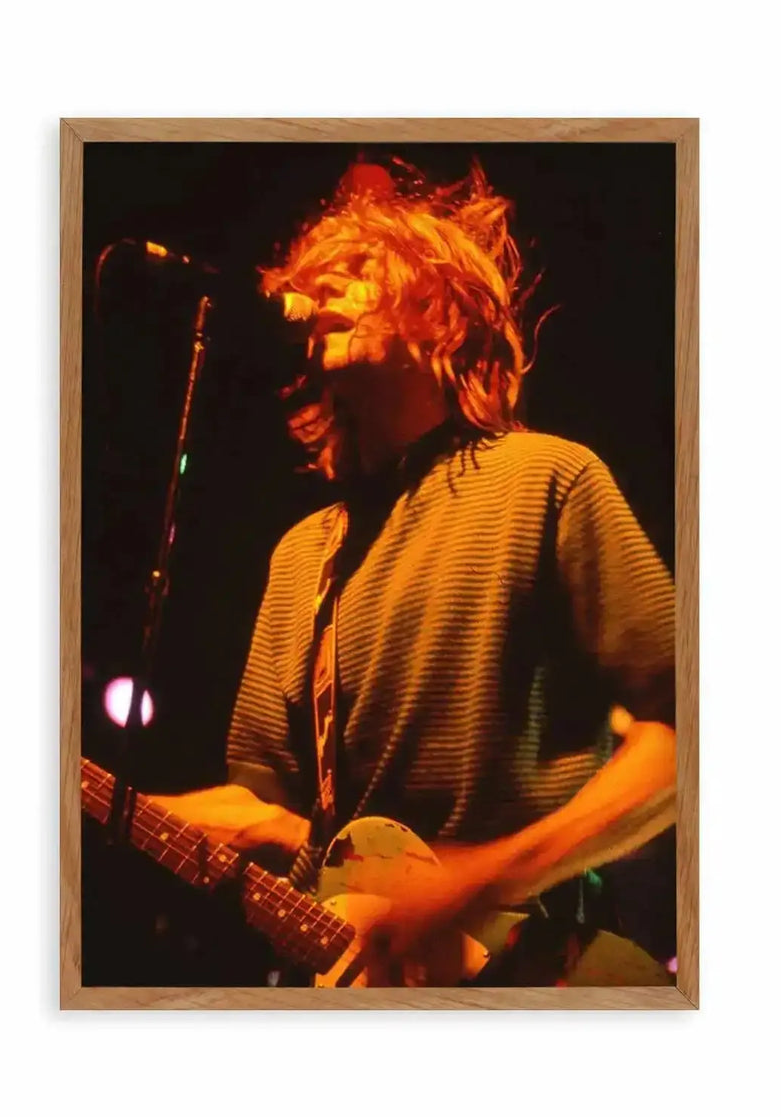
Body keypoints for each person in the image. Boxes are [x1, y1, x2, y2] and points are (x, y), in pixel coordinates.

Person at [156, 159, 676, 985]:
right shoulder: (302, 556)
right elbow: (273, 815)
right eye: (316, 279)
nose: (324, 292)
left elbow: (685, 733)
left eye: (360, 270)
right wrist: (125, 811)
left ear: (444, 308)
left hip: (548, 977)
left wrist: (493, 871)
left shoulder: (548, 479)